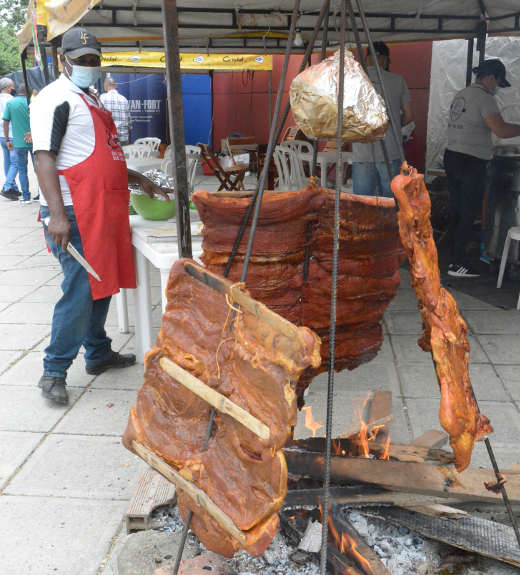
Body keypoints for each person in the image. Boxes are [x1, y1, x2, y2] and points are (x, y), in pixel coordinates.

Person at [30, 27, 169, 404]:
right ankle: (53, 371)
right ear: (64, 60)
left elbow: (105, 155)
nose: (89, 66)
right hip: (75, 212)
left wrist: (141, 180)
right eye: (82, 60)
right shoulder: (53, 99)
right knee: (79, 292)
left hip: (103, 208)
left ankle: (97, 352)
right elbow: (44, 156)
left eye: (94, 60)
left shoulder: (89, 98)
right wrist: (57, 215)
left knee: (102, 284)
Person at [444, 59, 520, 279]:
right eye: (497, 82)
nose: (496, 87)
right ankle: (458, 263)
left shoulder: (463, 93)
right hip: (470, 161)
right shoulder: (484, 98)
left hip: (452, 156)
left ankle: (452, 258)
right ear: (490, 77)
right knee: (468, 211)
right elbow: (501, 130)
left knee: (458, 209)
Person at [352, 42, 414, 197]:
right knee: (390, 203)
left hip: (362, 153)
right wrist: (393, 125)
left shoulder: (353, 80)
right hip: (391, 151)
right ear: (385, 60)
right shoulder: (397, 80)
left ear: (366, 60)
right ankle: (389, 222)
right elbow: (409, 115)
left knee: (362, 205)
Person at [3, 84, 35, 203]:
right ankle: (42, 196)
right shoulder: (32, 102)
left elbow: (6, 122)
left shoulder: (11, 103)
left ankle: (26, 197)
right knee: (38, 170)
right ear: (29, 93)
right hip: (34, 141)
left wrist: (7, 140)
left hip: (18, 142)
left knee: (22, 170)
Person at [0, 77, 20, 200]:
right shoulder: (11, 100)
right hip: (11, 134)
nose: (13, 88)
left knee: (7, 161)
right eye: (12, 86)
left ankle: (13, 187)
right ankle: (7, 186)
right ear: (8, 88)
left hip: (1, 135)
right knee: (16, 162)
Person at [100, 76, 131, 145]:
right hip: (124, 138)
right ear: (115, 86)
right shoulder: (124, 99)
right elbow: (129, 123)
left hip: (109, 139)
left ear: (105, 87)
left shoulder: (102, 98)